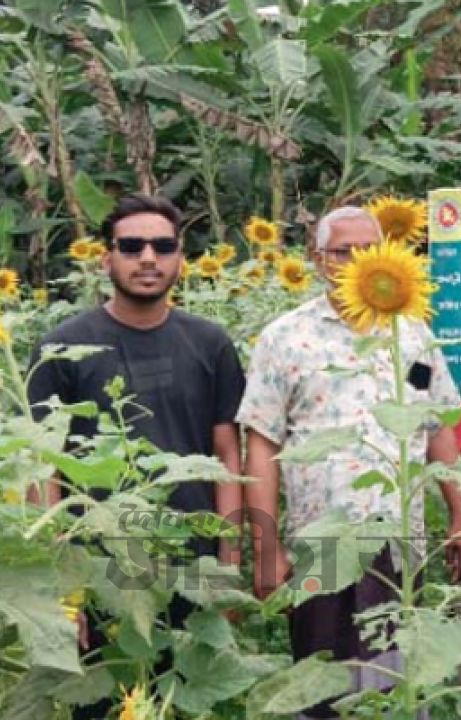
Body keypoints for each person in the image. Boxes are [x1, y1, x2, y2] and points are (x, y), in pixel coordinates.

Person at [238, 206, 461, 720]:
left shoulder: (412, 336)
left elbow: (437, 426)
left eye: (369, 249)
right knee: (324, 680)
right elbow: (260, 443)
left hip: (401, 544)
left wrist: (460, 513)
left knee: (399, 675)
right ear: (319, 259)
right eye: (344, 251)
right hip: (320, 544)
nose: (358, 262)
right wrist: (266, 545)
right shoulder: (287, 338)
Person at [27, 194, 246, 719]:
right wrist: (65, 593)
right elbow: (44, 471)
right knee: (103, 704)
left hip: (190, 560)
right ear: (106, 259)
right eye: (131, 245)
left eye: (163, 246)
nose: (148, 257)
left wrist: (230, 567)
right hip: (100, 569)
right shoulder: (63, 348)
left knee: (189, 698)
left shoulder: (210, 343)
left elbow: (227, 456)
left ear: (180, 258)